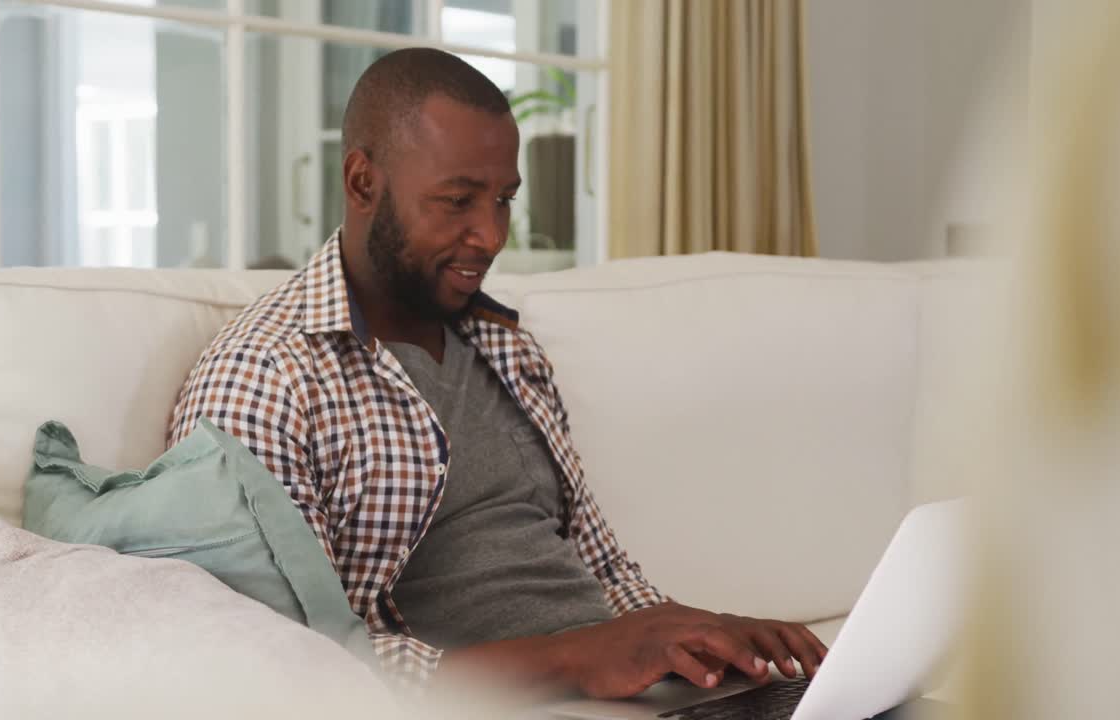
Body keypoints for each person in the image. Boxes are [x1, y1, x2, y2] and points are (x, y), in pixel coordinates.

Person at [169, 47, 826, 698]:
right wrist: (576, 659)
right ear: (363, 182)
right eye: (457, 201)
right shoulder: (265, 376)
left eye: (504, 200)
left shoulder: (508, 350)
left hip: (629, 696)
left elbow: (600, 567)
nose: (490, 234)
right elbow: (287, 659)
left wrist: (699, 642)